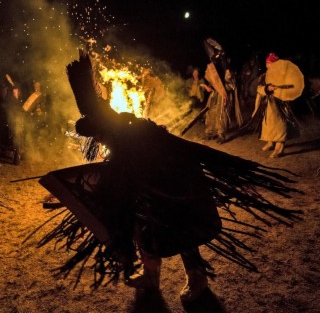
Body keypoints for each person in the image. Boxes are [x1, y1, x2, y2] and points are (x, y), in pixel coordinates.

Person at [38, 51, 298, 304]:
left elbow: (144, 167)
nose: (96, 140)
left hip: (174, 183)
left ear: (102, 127)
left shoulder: (134, 137)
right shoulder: (118, 135)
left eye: (96, 134)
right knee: (143, 227)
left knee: (180, 226)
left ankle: (197, 277)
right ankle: (151, 277)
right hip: (149, 187)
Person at [251, 52, 300, 158]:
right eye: (268, 63)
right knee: (269, 124)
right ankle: (270, 142)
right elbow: (259, 89)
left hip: (281, 106)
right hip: (268, 105)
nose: (270, 66)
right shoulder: (264, 76)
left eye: (272, 63)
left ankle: (279, 148)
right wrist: (266, 89)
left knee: (281, 125)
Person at [203, 38, 243, 143]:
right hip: (215, 93)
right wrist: (210, 86)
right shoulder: (213, 67)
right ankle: (210, 132)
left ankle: (221, 134)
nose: (215, 58)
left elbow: (233, 85)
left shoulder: (228, 69)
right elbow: (213, 79)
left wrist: (225, 88)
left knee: (221, 113)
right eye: (213, 57)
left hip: (224, 93)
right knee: (211, 111)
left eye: (217, 56)